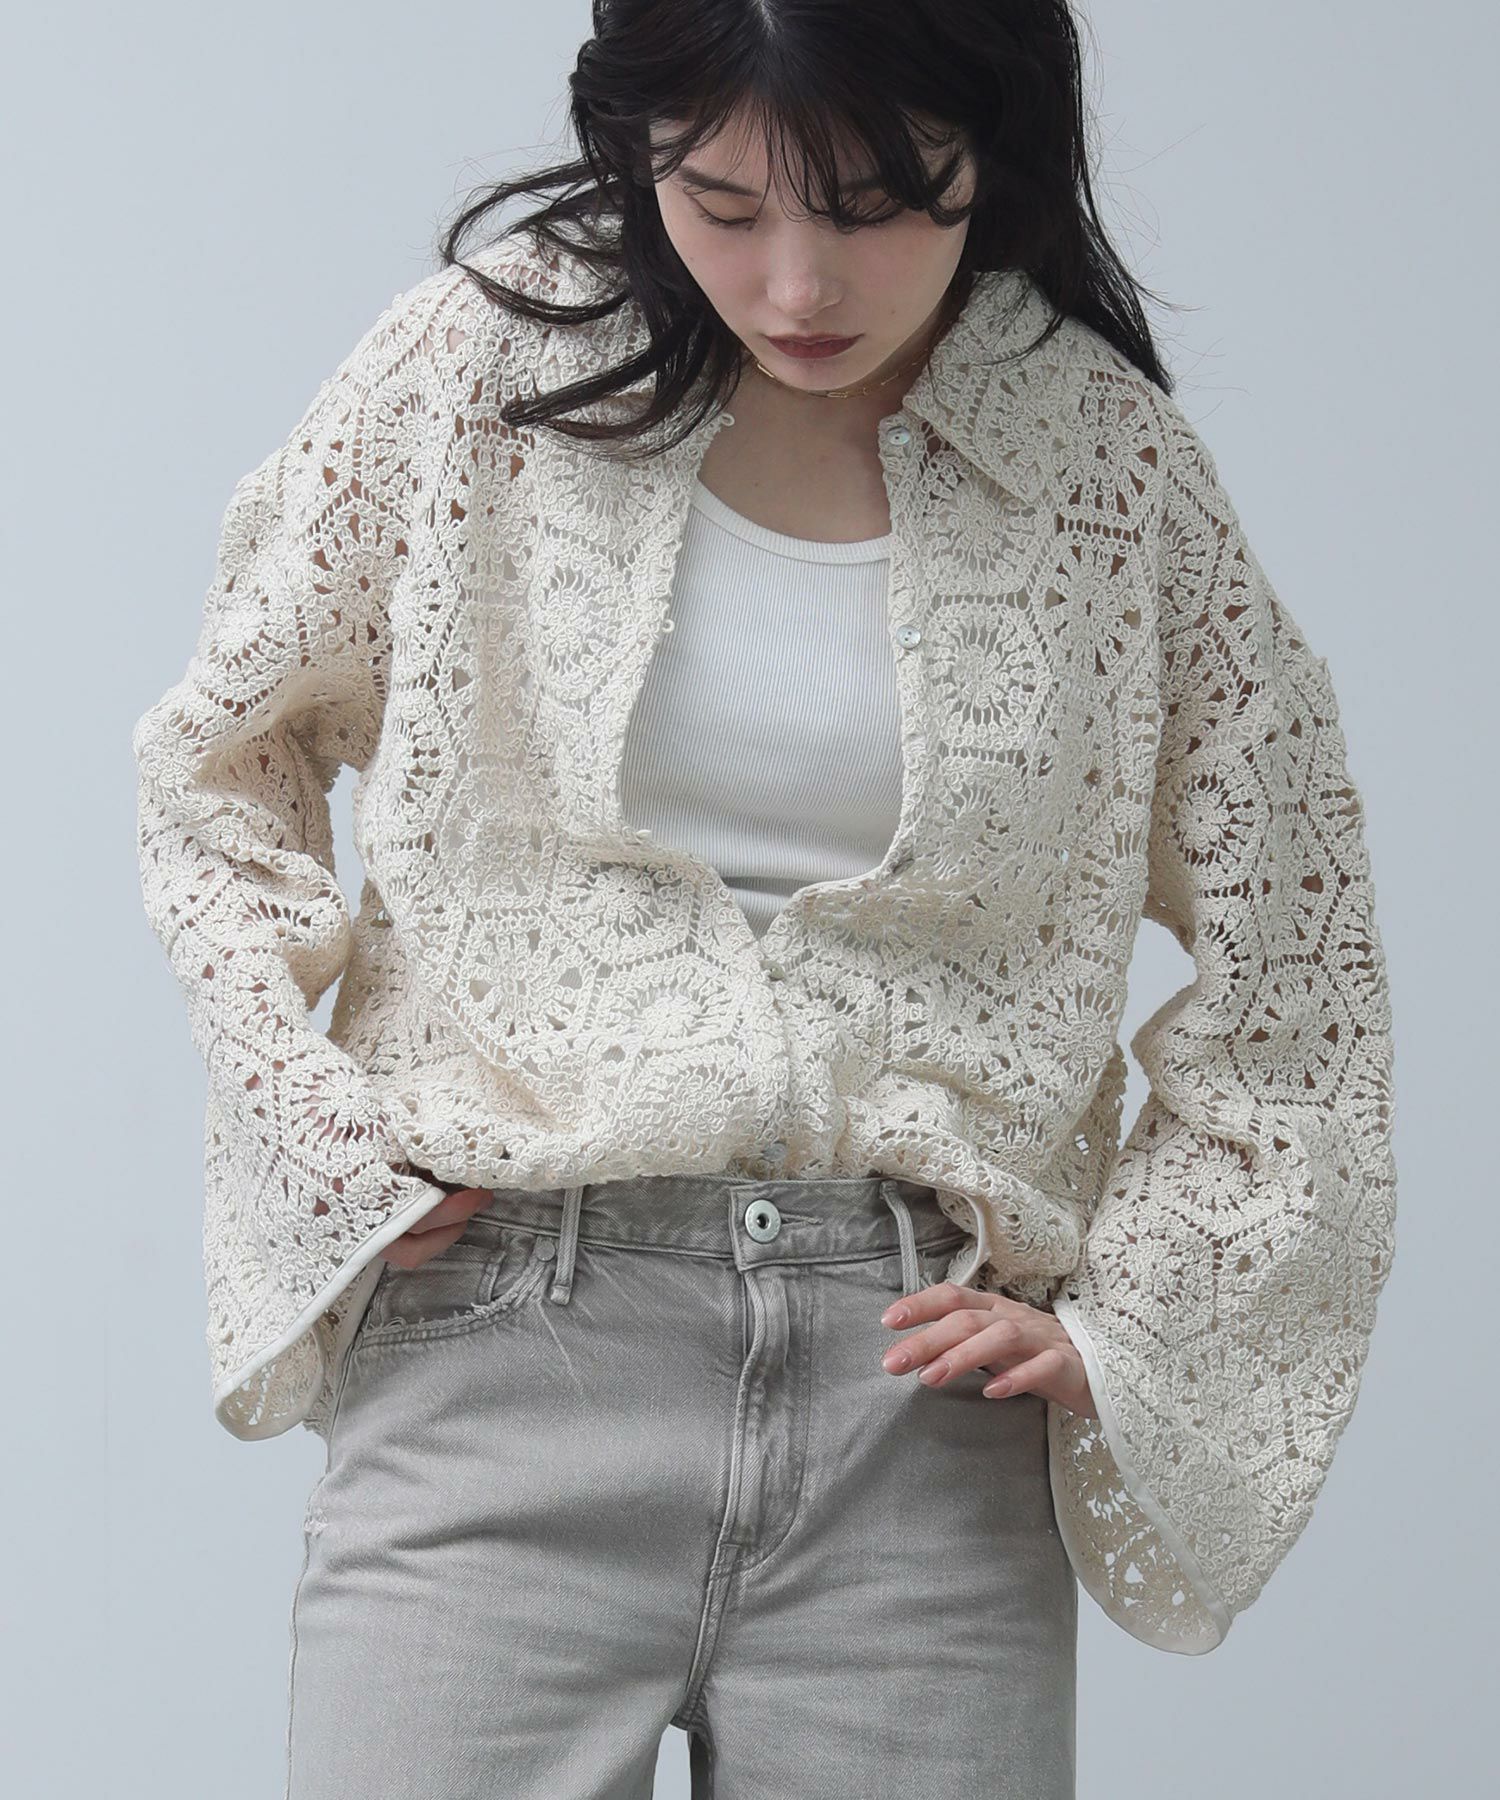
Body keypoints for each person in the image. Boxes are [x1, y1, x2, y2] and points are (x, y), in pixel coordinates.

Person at [129, 3, 1397, 1796]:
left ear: (993, 146)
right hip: (512, 1352)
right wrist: (320, 1127)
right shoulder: (477, 373)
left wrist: (1142, 1319)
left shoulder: (1110, 476)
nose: (797, 282)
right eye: (721, 204)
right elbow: (222, 760)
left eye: (876, 202)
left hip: (918, 1424)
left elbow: (1299, 969)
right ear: (637, 148)